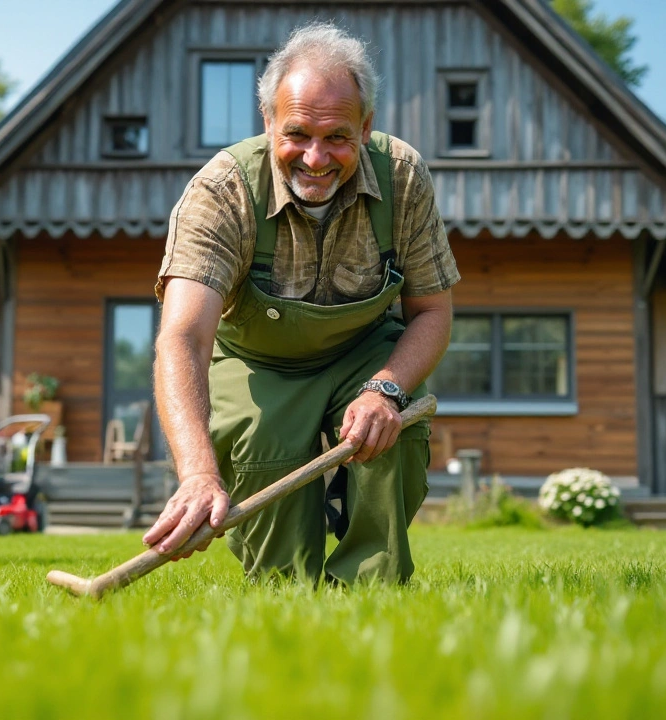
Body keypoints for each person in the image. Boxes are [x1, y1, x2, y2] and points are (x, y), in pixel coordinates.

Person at [144, 22, 460, 585]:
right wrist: (196, 474)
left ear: (366, 128)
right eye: (296, 135)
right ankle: (287, 595)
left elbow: (433, 312)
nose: (315, 158)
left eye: (337, 136)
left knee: (392, 433)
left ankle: (370, 594)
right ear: (267, 123)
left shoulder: (403, 177)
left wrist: (385, 389)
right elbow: (182, 337)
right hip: (254, 364)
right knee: (277, 561)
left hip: (364, 357)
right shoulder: (222, 191)